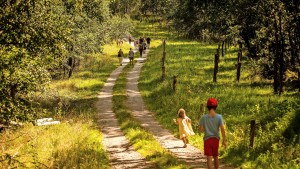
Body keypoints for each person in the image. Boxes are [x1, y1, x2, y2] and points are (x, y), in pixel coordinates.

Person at [198, 98, 226, 169]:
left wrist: (203, 127)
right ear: (216, 106)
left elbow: (201, 130)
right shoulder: (219, 117)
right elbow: (222, 129)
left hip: (207, 139)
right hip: (216, 139)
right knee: (216, 156)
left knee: (209, 157)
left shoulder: (203, 118)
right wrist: (224, 140)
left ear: (207, 107)